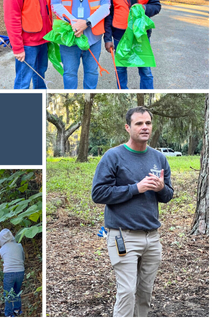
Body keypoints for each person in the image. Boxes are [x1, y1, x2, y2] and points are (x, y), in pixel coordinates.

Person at [92, 106, 173, 317]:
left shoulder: (159, 158)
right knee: (127, 291)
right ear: (128, 127)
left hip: (152, 238)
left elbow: (167, 196)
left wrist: (161, 188)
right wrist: (135, 188)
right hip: (122, 236)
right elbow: (98, 194)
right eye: (139, 123)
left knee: (145, 293)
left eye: (148, 123)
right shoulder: (113, 157)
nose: (144, 127)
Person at [51, 0, 110, 89]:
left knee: (91, 72)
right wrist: (74, 23)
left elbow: (105, 7)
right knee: (70, 73)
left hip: (93, 39)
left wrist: (87, 23)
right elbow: (56, 5)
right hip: (69, 39)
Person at [104, 0, 161, 90]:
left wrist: (144, 8)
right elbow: (108, 14)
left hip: (141, 36)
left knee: (145, 71)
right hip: (119, 36)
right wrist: (107, 38)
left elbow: (156, 6)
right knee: (120, 70)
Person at [3, 0, 53, 89]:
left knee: (40, 75)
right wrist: (17, 47)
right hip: (27, 45)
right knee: (23, 80)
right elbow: (11, 18)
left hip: (43, 41)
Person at [0, 228, 25, 317]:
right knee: (17, 291)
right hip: (20, 271)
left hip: (9, 273)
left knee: (8, 294)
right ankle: (17, 310)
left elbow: (6, 259)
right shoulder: (19, 246)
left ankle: (9, 314)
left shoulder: (2, 249)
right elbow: (23, 258)